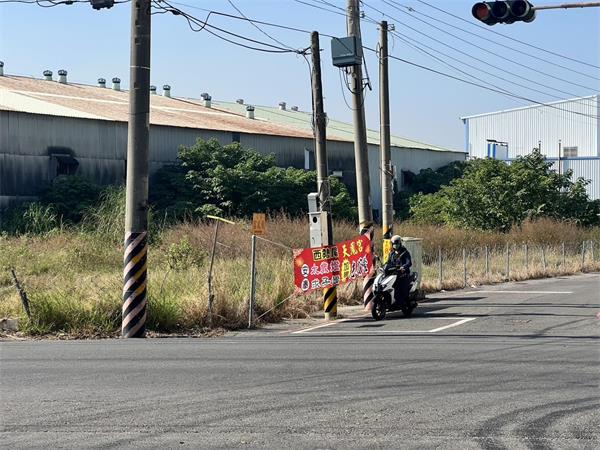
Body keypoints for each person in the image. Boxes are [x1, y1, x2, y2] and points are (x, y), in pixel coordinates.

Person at [386, 235, 412, 305]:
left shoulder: (405, 252)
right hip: (393, 273)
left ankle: (403, 301)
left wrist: (403, 267)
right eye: (394, 244)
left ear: (400, 244)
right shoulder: (391, 254)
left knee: (400, 286)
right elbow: (388, 263)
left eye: (397, 244)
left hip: (403, 274)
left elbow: (409, 262)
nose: (395, 246)